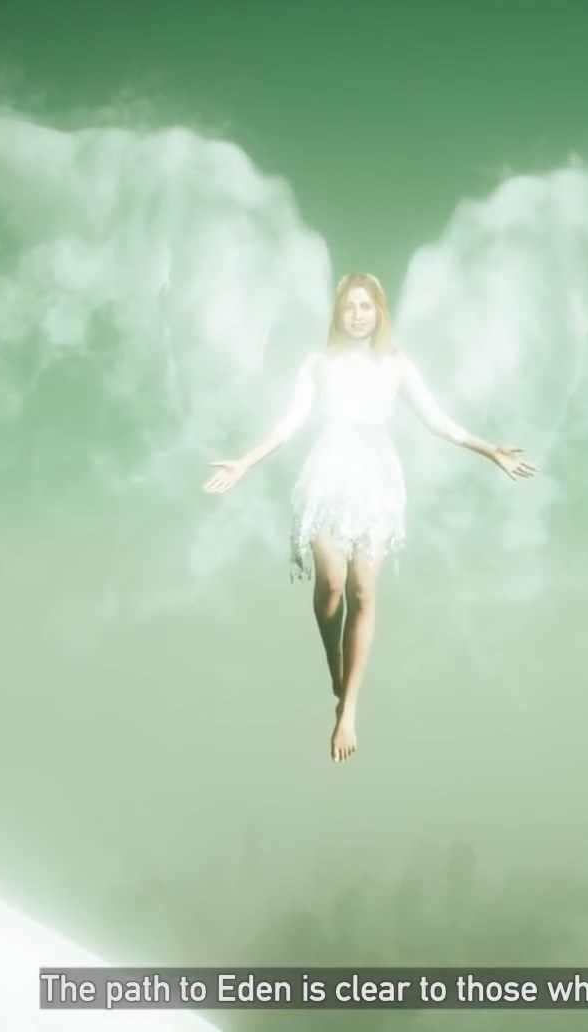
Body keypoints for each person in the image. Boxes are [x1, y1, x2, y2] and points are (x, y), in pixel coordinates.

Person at [203, 272, 537, 763]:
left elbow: (436, 418)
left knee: (362, 589)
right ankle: (335, 665)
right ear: (338, 313)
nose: (357, 315)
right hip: (327, 478)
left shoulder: (395, 364)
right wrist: (244, 462)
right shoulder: (319, 364)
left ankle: (349, 707)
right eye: (349, 307)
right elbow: (290, 422)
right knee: (332, 585)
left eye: (366, 306)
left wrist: (490, 449)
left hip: (376, 483)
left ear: (379, 311)